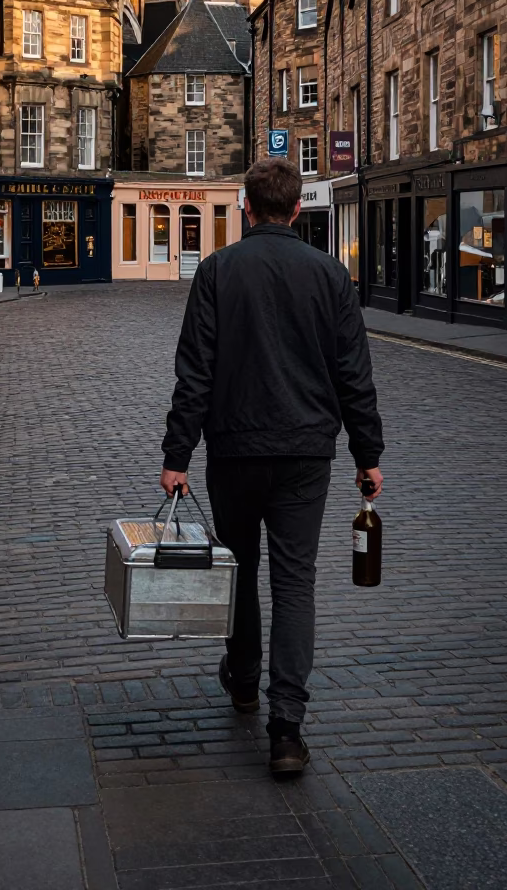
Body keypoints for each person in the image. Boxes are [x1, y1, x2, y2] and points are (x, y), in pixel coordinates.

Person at [160, 157, 384, 774]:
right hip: (306, 456)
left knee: (239, 569)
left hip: (233, 452)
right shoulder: (330, 274)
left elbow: (194, 372)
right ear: (297, 208)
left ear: (247, 208)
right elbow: (353, 374)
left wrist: (176, 455)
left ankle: (243, 683)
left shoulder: (216, 270)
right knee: (294, 583)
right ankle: (286, 729)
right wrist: (368, 455)